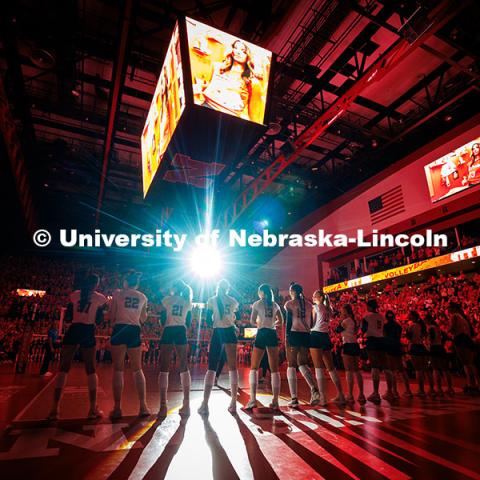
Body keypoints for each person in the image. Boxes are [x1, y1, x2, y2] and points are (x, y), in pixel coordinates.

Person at [47, 274, 107, 420]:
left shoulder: (74, 295)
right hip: (87, 330)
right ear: (96, 284)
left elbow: (68, 317)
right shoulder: (100, 298)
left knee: (63, 368)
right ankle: (93, 408)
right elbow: (100, 320)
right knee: (91, 369)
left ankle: (55, 409)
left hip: (74, 329)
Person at [109, 271, 150, 419]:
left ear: (126, 281)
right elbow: (143, 318)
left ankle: (117, 407)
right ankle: (143, 406)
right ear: (137, 283)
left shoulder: (118, 294)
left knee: (118, 369)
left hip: (120, 328)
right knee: (137, 368)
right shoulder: (143, 296)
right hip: (134, 330)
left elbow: (111, 315)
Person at [198, 280, 239, 416]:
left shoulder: (212, 300)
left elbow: (208, 320)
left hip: (218, 332)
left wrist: (215, 321)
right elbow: (235, 318)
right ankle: (233, 402)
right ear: (227, 289)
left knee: (211, 367)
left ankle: (205, 404)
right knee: (233, 368)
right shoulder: (233, 301)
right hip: (230, 332)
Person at [200, 40, 261, 121]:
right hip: (205, 107)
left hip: (228, 118)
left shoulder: (252, 81)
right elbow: (207, 87)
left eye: (243, 51)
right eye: (236, 48)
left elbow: (253, 116)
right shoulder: (218, 67)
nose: (238, 52)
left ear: (248, 55)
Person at [158, 280, 193, 417]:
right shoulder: (187, 301)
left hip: (168, 330)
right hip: (180, 330)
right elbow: (189, 321)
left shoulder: (167, 299)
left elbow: (162, 318)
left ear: (174, 288)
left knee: (164, 367)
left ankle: (163, 406)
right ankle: (186, 404)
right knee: (184, 366)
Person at [245, 284, 283, 410]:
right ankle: (276, 401)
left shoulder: (257, 303)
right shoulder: (275, 304)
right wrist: (272, 323)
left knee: (254, 367)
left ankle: (252, 400)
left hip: (262, 332)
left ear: (261, 292)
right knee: (274, 369)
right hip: (272, 333)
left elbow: (251, 320)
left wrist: (259, 323)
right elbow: (281, 321)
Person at [284, 283, 320, 407]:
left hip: (294, 334)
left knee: (291, 365)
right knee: (302, 363)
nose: (289, 293)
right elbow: (313, 322)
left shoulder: (289, 304)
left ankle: (294, 398)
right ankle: (315, 390)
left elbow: (288, 322)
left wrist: (286, 338)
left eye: (290, 291)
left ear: (293, 291)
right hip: (306, 335)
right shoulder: (310, 304)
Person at [310, 290, 345, 405]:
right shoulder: (327, 309)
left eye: (315, 295)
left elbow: (312, 324)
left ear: (320, 297)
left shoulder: (316, 307)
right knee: (331, 368)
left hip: (316, 335)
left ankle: (323, 398)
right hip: (325, 336)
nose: (313, 296)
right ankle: (341, 394)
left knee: (318, 368)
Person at [361, 299, 394, 404]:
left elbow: (363, 329)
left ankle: (375, 393)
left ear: (370, 307)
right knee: (386, 367)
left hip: (372, 341)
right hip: (381, 340)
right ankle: (390, 391)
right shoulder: (381, 316)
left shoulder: (367, 316)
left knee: (374, 366)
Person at [447, 302, 479, 393]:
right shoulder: (463, 317)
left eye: (449, 308)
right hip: (466, 339)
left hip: (460, 339)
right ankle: (475, 383)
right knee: (470, 363)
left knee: (466, 363)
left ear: (454, 308)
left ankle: (471, 384)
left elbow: (451, 329)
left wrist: (448, 331)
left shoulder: (455, 316)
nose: (448, 310)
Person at [336, 304, 364, 404]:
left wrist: (340, 320)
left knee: (348, 370)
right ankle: (361, 394)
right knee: (357, 370)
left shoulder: (346, 321)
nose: (341, 312)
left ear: (346, 311)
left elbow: (337, 330)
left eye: (342, 310)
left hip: (347, 345)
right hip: (355, 345)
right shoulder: (355, 320)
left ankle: (351, 395)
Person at [406, 310, 436, 397]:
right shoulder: (422, 325)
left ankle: (421, 390)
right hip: (423, 348)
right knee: (426, 370)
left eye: (410, 315)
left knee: (418, 370)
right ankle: (432, 389)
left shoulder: (412, 325)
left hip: (415, 347)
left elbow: (409, 337)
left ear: (413, 316)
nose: (408, 316)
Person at [384, 310, 412, 398]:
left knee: (390, 370)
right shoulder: (398, 326)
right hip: (397, 347)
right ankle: (408, 390)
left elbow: (384, 336)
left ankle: (392, 391)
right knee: (401, 370)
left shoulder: (385, 326)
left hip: (389, 347)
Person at [425, 313, 455, 396]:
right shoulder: (438, 328)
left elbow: (431, 338)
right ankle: (450, 387)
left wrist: (428, 345)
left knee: (435, 368)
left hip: (434, 348)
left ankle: (439, 388)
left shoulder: (430, 328)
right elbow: (445, 337)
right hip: (441, 347)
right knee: (445, 369)